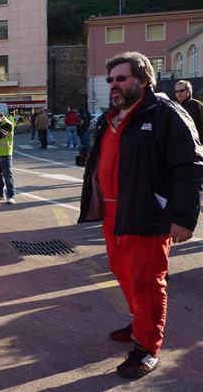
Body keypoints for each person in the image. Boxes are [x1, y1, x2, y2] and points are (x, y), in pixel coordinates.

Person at [78, 51, 203, 379]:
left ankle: (147, 348)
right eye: (110, 80)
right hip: (112, 213)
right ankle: (140, 321)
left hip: (147, 214)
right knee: (123, 274)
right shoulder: (110, 116)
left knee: (148, 282)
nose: (113, 85)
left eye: (121, 78)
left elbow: (189, 166)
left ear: (144, 79)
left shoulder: (166, 114)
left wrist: (184, 216)